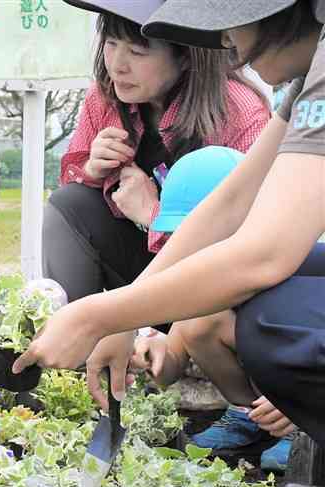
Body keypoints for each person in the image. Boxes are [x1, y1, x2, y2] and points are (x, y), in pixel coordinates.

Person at [14, 0, 325, 449]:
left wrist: (96, 314)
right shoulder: (307, 76)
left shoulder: (256, 96)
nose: (226, 46)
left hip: (255, 260)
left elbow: (264, 254)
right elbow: (230, 203)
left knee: (271, 320)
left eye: (226, 22)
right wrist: (121, 318)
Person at [44, 0, 270, 303]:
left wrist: (155, 215)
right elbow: (76, 192)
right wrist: (92, 170)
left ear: (188, 55)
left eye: (138, 52)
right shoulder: (104, 98)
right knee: (70, 202)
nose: (118, 65)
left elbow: (256, 235)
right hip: (136, 264)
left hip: (211, 285)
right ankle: (71, 334)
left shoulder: (239, 113)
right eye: (111, 43)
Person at [129, 145, 295, 471]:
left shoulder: (290, 268)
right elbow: (175, 356)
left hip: (308, 388)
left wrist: (302, 401)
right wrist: (153, 354)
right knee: (197, 321)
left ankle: (304, 431)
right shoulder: (207, 283)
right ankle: (246, 413)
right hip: (270, 395)